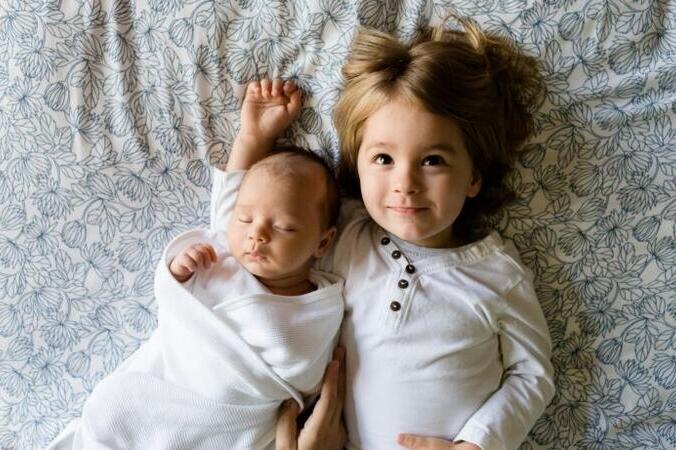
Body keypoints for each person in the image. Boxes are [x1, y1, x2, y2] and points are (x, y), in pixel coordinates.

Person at [272, 17, 556, 450]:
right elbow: (258, 228)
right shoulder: (343, 235)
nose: (405, 183)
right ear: (356, 166)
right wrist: (254, 142)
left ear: (474, 177)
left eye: (433, 161)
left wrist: (478, 444)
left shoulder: (497, 273)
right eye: (383, 159)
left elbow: (533, 373)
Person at [47, 79, 345, 450]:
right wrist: (253, 135)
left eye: (284, 227)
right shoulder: (222, 252)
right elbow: (233, 192)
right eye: (246, 219)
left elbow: (303, 373)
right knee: (113, 410)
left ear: (322, 242)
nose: (257, 236)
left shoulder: (321, 305)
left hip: (226, 421)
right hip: (160, 394)